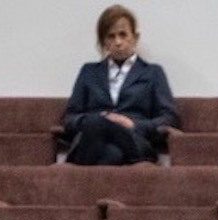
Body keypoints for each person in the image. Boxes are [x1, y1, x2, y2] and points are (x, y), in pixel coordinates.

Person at [62, 6, 178, 167]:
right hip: (91, 142)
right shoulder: (88, 72)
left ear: (135, 37)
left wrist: (133, 125)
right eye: (111, 36)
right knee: (110, 151)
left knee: (108, 140)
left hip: (134, 141)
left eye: (123, 34)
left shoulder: (153, 73)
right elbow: (69, 118)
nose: (118, 42)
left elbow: (169, 118)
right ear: (104, 41)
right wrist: (97, 120)